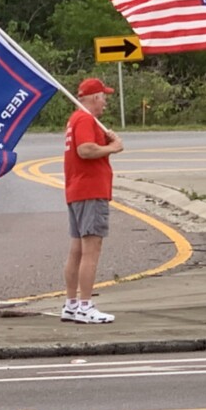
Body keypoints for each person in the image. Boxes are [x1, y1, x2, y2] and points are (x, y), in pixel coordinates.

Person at [61, 77, 124, 324]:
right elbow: (85, 150)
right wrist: (113, 147)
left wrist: (106, 141)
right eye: (103, 97)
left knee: (77, 249)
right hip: (90, 190)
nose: (105, 102)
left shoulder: (76, 119)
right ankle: (85, 305)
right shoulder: (85, 119)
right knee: (91, 249)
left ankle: (71, 303)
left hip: (77, 190)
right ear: (95, 97)